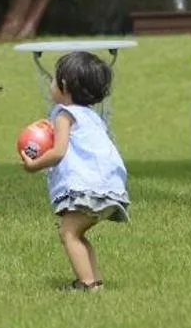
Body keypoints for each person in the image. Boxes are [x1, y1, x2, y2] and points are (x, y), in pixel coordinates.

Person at [19, 51, 130, 292]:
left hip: (88, 188)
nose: (51, 84)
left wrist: (33, 165)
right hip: (111, 188)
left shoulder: (63, 115)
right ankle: (95, 281)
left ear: (64, 85)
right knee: (76, 233)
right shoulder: (92, 117)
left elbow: (58, 152)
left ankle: (86, 284)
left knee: (68, 232)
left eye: (53, 79)